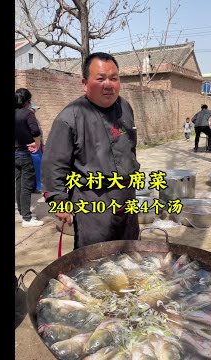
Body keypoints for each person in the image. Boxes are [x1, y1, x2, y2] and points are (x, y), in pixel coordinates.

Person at [41, 52, 140, 250]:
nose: (108, 84)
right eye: (101, 78)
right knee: (94, 258)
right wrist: (58, 200)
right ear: (85, 83)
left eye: (114, 78)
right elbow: (54, 164)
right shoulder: (70, 117)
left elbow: (131, 148)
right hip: (92, 200)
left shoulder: (125, 108)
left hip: (126, 195)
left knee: (129, 252)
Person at [15, 88, 44, 227]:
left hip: (15, 154)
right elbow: (35, 131)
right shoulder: (28, 114)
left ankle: (22, 212)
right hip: (25, 154)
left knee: (19, 184)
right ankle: (27, 218)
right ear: (28, 100)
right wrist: (37, 143)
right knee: (26, 186)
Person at [29, 103, 43, 193]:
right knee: (34, 168)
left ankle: (38, 186)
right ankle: (36, 187)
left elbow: (40, 133)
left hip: (38, 146)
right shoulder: (28, 120)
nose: (34, 111)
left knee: (38, 167)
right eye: (33, 110)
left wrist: (42, 144)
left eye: (35, 110)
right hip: (33, 147)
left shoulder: (35, 120)